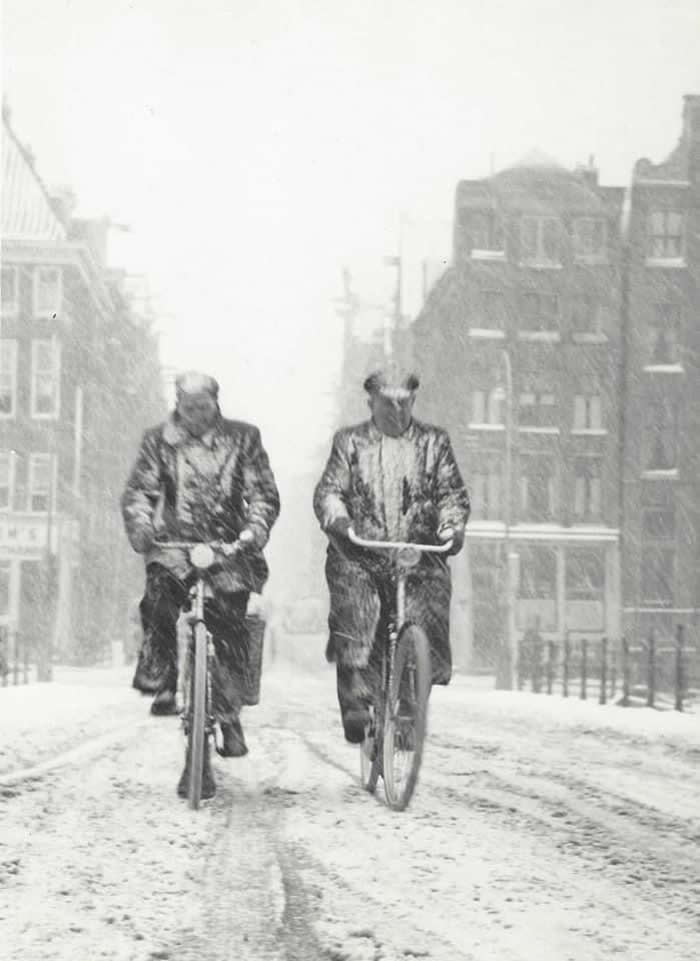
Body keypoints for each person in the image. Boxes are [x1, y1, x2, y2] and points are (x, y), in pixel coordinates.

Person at [121, 371, 280, 798]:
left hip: (229, 548)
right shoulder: (159, 441)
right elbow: (140, 491)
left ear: (216, 403)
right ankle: (165, 676)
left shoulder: (243, 439)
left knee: (230, 624)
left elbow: (262, 493)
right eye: (188, 407)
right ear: (178, 404)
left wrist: (252, 532)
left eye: (203, 406)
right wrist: (141, 528)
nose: (196, 414)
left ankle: (228, 714)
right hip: (175, 546)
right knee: (158, 598)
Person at [313, 366, 470, 743]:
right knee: (356, 606)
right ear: (371, 402)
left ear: (413, 401)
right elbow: (331, 490)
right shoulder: (350, 442)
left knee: (427, 608)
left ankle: (413, 698)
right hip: (362, 551)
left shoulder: (435, 443)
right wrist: (340, 521)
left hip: (417, 553)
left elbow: (451, 493)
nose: (396, 412)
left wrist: (450, 526)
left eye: (404, 404)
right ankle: (355, 697)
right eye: (388, 404)